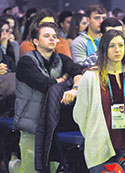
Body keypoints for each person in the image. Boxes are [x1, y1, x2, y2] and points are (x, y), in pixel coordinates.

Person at [73, 30, 125, 172]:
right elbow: (80, 113)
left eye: (121, 45)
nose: (117, 50)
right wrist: (92, 133)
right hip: (101, 139)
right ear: (104, 49)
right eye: (112, 46)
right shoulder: (91, 76)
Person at [14, 22, 82, 172]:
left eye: (54, 36)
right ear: (36, 42)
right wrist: (64, 80)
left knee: (53, 166)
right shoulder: (26, 62)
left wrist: (75, 85)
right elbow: (45, 84)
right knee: (30, 169)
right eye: (47, 36)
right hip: (31, 122)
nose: (52, 39)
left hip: (52, 124)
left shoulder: (60, 59)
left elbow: (77, 70)